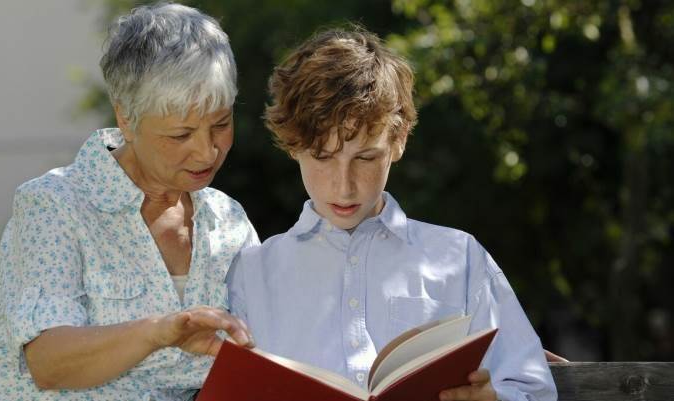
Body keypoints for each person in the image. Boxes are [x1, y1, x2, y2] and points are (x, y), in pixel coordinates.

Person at [227, 27, 557, 401]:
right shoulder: (252, 274)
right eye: (322, 158)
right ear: (292, 147)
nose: (344, 186)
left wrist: (493, 399)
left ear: (398, 142)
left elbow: (534, 389)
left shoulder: (460, 259)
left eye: (365, 158)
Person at [0, 3, 257, 400]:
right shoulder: (54, 205)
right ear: (127, 119)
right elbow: (48, 363)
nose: (207, 152)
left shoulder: (228, 219)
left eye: (220, 124)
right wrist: (159, 331)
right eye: (181, 134)